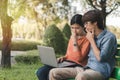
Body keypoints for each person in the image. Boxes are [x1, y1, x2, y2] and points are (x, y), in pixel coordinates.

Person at [49, 9, 117, 80]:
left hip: (100, 71)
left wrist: (92, 40)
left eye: (87, 23)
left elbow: (100, 58)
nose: (85, 26)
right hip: (86, 68)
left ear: (95, 23)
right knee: (53, 72)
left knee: (81, 76)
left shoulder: (109, 37)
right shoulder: (91, 35)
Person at [36, 14, 90, 80]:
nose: (74, 31)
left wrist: (75, 41)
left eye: (77, 28)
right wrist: (63, 58)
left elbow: (79, 59)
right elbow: (69, 54)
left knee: (47, 72)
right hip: (67, 63)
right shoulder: (72, 37)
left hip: (77, 65)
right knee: (41, 71)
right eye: (72, 28)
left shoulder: (87, 39)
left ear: (83, 27)